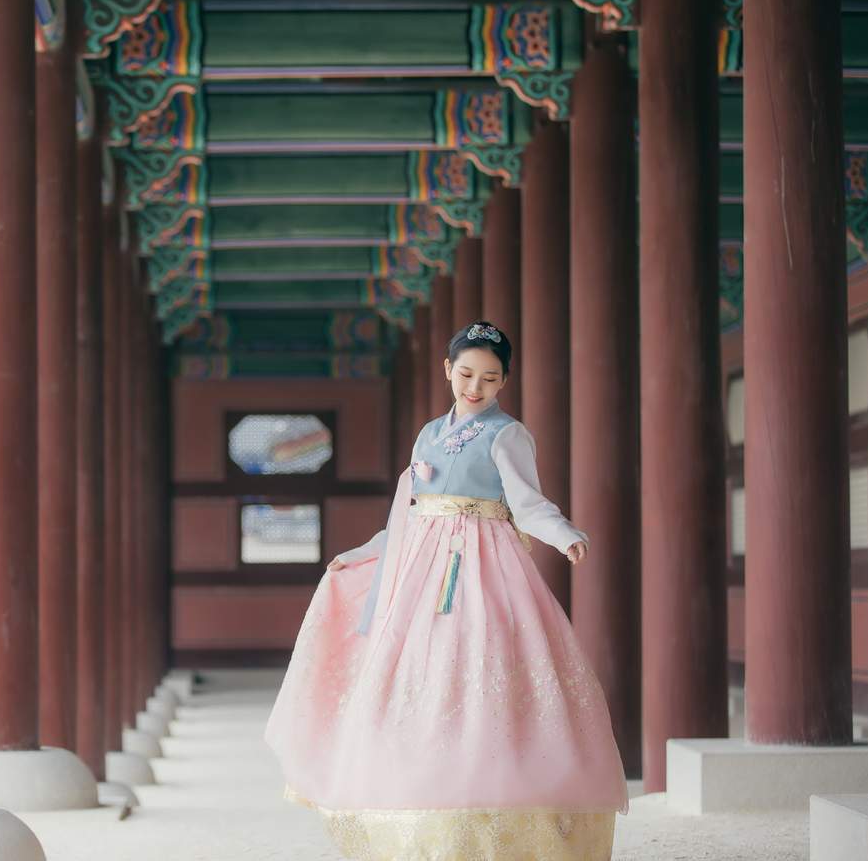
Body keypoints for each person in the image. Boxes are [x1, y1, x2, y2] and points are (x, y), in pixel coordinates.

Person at [264, 321, 628, 861]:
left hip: (484, 561)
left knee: (484, 663)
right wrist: (363, 554)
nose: (474, 388)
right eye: (465, 374)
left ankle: (498, 801)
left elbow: (528, 503)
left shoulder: (508, 434)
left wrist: (563, 534)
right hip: (422, 563)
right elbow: (407, 513)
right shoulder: (428, 434)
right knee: (417, 671)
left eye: (489, 377)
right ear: (447, 370)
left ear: (504, 381)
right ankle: (418, 800)